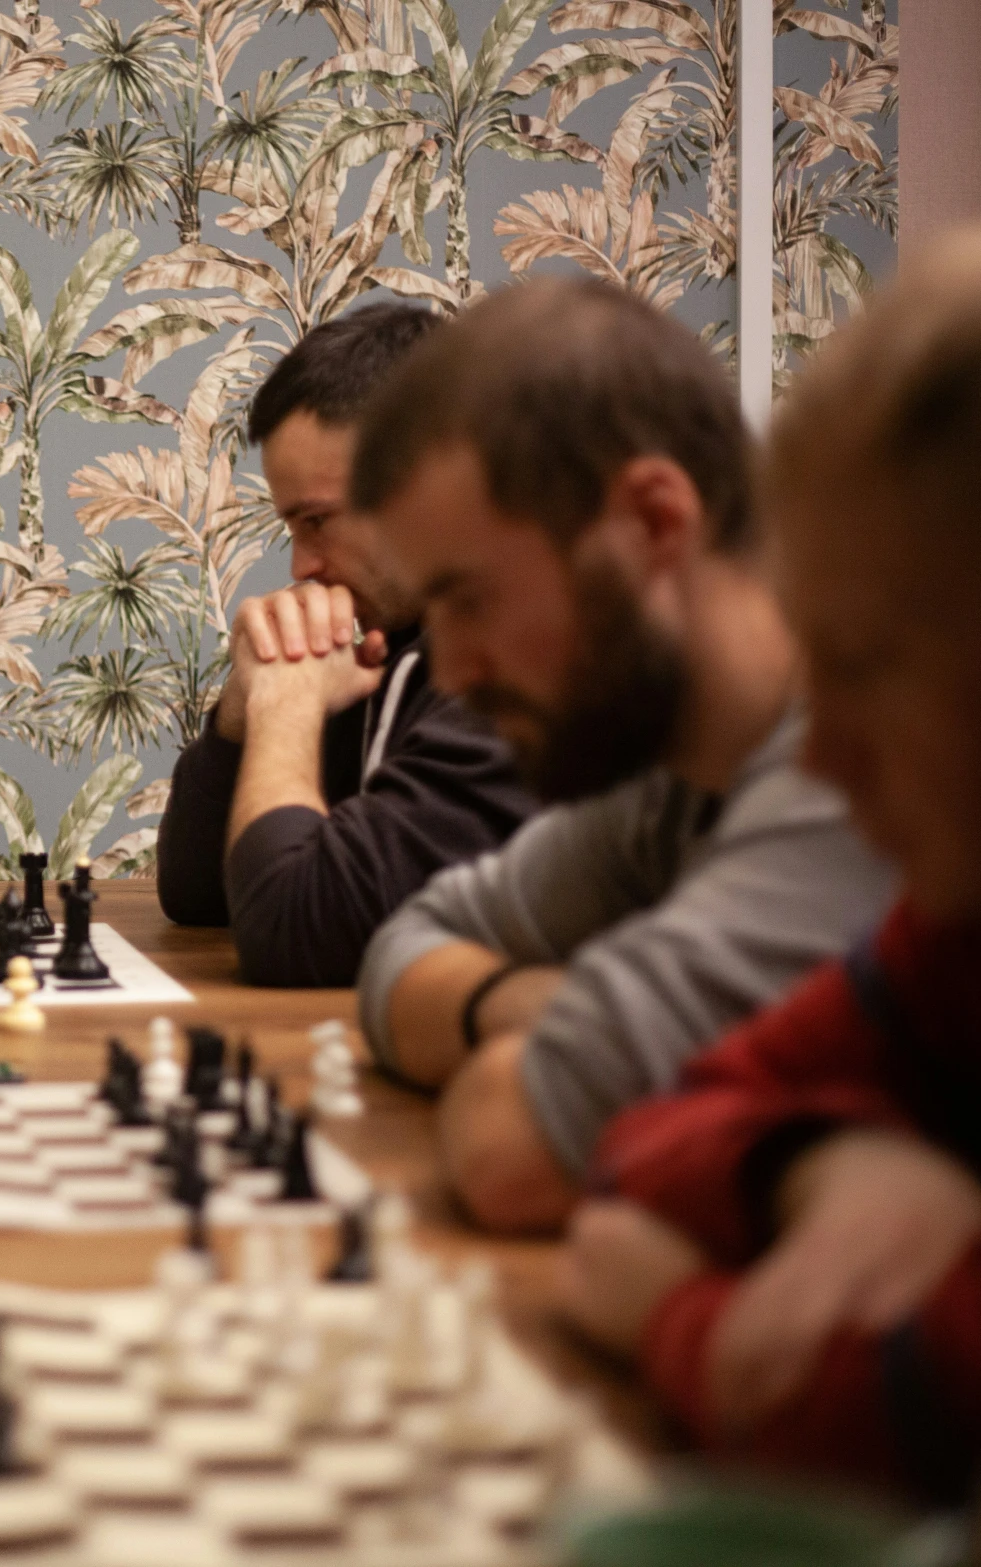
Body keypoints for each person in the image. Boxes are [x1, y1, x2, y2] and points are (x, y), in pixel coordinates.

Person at [563, 225, 981, 1501]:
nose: (817, 759)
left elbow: (893, 1416)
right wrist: (827, 1163)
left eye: (872, 666)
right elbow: (651, 1124)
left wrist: (678, 1313)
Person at [348, 277, 894, 1235]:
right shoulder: (670, 777)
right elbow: (402, 948)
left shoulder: (865, 766)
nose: (454, 670)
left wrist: (537, 1042)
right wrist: (547, 1010)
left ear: (651, 523)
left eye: (470, 600)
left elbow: (512, 1153)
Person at [156, 302, 535, 986]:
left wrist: (286, 710)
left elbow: (293, 934)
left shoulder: (516, 681)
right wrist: (239, 721)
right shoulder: (383, 656)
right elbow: (196, 894)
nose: (301, 567)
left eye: (317, 520)